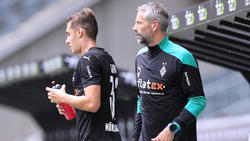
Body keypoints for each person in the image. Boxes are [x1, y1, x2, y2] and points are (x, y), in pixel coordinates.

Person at [132, 2, 206, 141]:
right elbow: (140, 100)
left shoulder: (182, 57)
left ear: (154, 25)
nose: (134, 28)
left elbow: (198, 100)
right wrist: (135, 137)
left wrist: (173, 128)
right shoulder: (139, 57)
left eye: (139, 23)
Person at [45, 8, 121, 141]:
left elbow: (92, 104)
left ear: (79, 32)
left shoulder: (87, 60)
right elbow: (100, 105)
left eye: (68, 34)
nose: (67, 40)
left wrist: (63, 97)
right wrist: (73, 107)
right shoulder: (107, 58)